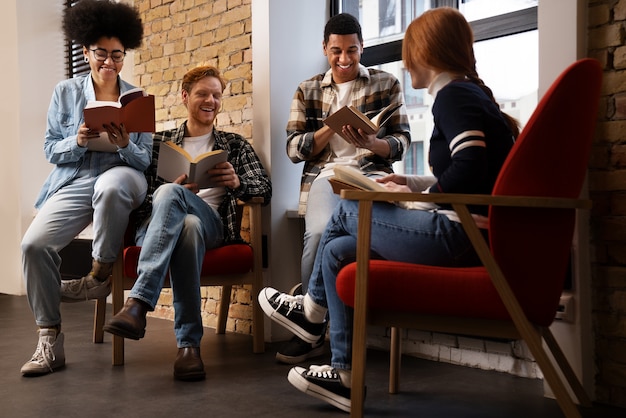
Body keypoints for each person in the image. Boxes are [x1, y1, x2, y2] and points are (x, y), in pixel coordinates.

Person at [258, 7, 519, 413]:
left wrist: (418, 194)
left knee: (345, 212)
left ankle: (310, 313)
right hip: (465, 228)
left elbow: (468, 170)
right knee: (335, 250)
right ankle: (344, 375)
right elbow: (472, 169)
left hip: (461, 235)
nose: (405, 58)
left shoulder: (453, 95)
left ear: (426, 52)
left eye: (409, 49)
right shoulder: (465, 93)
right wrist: (412, 184)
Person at [102, 65, 272, 381]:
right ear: (185, 96)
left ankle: (138, 303)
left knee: (189, 214)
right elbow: (137, 194)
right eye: (203, 94)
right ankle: (189, 349)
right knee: (183, 219)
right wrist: (170, 193)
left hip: (214, 229)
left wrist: (238, 183)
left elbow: (264, 188)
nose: (211, 100)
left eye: (217, 95)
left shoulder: (234, 145)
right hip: (160, 227)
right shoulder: (159, 144)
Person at [20, 0, 151, 377]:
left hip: (124, 175)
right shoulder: (65, 92)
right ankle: (50, 338)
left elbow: (144, 160)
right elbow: (49, 149)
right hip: (75, 179)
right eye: (101, 54)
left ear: (124, 56)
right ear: (85, 52)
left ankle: (98, 274)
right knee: (33, 245)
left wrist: (125, 143)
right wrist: (76, 140)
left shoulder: (137, 98)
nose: (109, 62)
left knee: (110, 186)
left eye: (117, 55)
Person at [281, 12, 411, 364]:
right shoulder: (307, 90)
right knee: (320, 233)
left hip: (371, 176)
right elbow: (294, 149)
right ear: (325, 48)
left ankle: (338, 334)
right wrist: (331, 128)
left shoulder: (386, 84)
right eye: (336, 51)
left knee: (352, 245)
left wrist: (372, 143)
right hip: (326, 176)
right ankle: (311, 329)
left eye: (352, 50)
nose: (344, 59)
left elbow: (401, 143)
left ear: (362, 47)